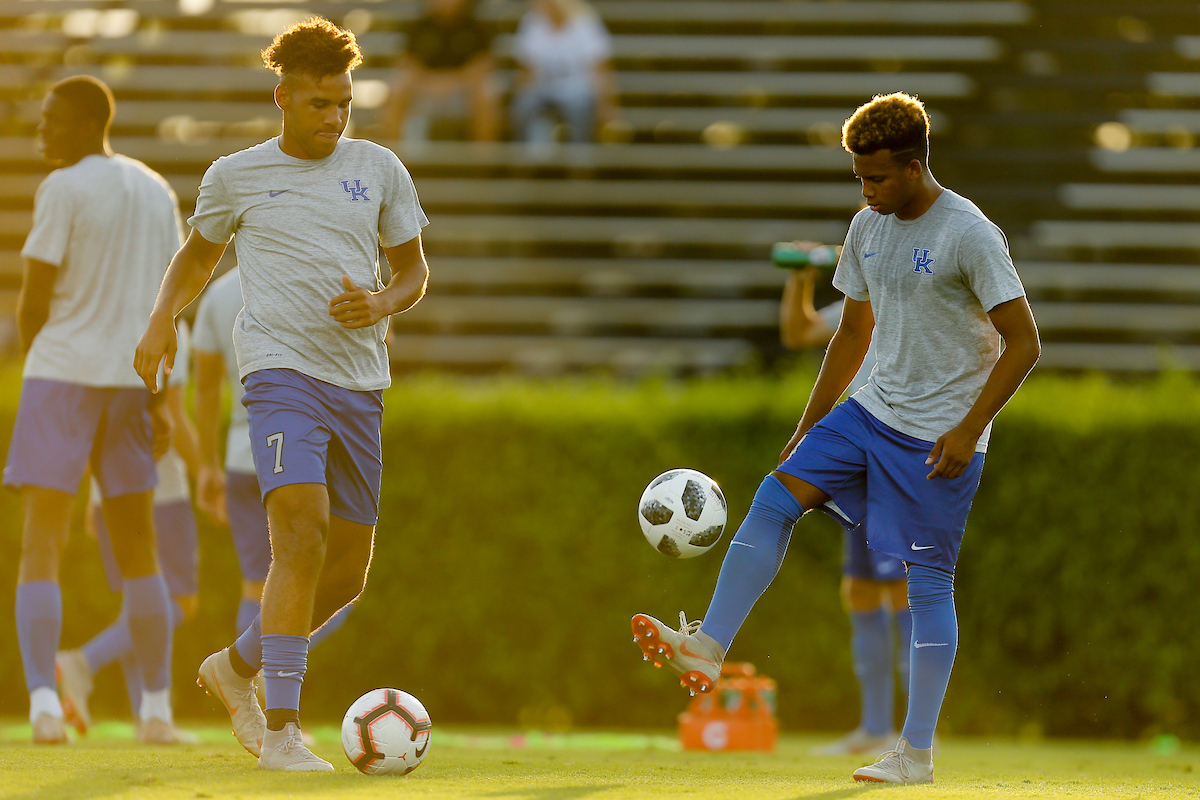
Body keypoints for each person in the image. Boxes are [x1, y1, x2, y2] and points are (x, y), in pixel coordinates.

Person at [632, 92, 1041, 784]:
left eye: (876, 177)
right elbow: (852, 332)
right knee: (774, 495)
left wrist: (970, 428)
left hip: (936, 435)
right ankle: (706, 645)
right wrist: (809, 426)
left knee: (928, 585)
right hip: (868, 411)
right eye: (858, 177)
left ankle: (914, 754)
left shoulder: (969, 233)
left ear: (913, 168)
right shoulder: (866, 226)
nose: (866, 189)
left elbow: (1025, 343)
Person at [134, 16, 429, 772]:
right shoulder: (234, 175)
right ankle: (282, 732)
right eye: (319, 104)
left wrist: (382, 304)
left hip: (360, 382)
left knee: (349, 573)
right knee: (299, 535)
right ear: (282, 97)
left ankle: (233, 667)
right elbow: (196, 259)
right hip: (278, 373)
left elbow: (413, 274)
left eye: (344, 104)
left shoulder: (381, 169)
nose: (333, 118)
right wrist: (162, 321)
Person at [6, 75, 181, 744]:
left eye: (51, 119)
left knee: (41, 545)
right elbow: (166, 308)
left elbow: (32, 299)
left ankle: (45, 705)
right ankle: (156, 713)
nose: (41, 130)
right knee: (140, 551)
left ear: (85, 124)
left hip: (63, 377)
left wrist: (37, 373)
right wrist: (162, 397)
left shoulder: (63, 187)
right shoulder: (155, 189)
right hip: (134, 381)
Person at [779, 260, 910, 756]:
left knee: (901, 586)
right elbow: (800, 331)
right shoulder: (863, 297)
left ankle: (915, 731)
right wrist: (800, 277)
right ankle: (875, 727)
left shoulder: (913, 293)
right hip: (863, 455)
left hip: (899, 444)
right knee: (859, 588)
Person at [191, 267, 354, 646]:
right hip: (306, 454)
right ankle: (266, 669)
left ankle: (253, 678)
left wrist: (208, 467)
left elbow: (205, 388)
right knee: (337, 585)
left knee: (256, 584)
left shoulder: (218, 294)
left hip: (242, 457)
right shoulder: (311, 280)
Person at [56, 323, 202, 745]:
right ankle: (82, 662)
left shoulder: (106, 319)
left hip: (110, 488)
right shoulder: (171, 327)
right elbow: (172, 415)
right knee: (179, 602)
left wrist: (92, 496)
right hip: (163, 489)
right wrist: (209, 473)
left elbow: (90, 415)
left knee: (138, 603)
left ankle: (148, 718)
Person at [380, 0, 499, 142]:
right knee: (398, 89)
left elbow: (483, 65)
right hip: (425, 89)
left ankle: (484, 159)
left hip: (465, 91)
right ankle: (395, 156)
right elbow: (409, 64)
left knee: (486, 94)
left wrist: (451, 82)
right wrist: (432, 83)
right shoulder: (418, 26)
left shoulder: (476, 26)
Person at [510, 0, 618, 144]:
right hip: (542, 84)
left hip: (577, 85)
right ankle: (529, 158)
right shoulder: (532, 21)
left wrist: (606, 103)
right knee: (524, 106)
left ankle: (580, 156)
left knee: (580, 106)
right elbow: (526, 68)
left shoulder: (584, 21)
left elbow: (599, 67)